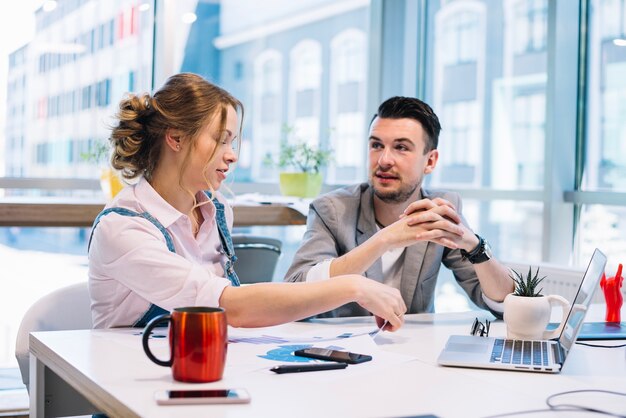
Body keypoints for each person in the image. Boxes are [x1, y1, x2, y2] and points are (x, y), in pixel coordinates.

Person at [88, 73, 406, 331]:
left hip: (200, 376)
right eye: (220, 139)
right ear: (176, 138)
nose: (232, 155)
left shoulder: (217, 211)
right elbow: (230, 306)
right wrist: (354, 287)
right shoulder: (123, 227)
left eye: (233, 141)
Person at [284, 96, 514, 318]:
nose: (384, 160)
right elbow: (294, 292)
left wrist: (475, 246)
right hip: (340, 349)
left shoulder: (440, 210)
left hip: (412, 349)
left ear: (430, 161)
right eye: (376, 145)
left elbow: (504, 303)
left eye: (401, 147)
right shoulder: (332, 210)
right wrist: (384, 239)